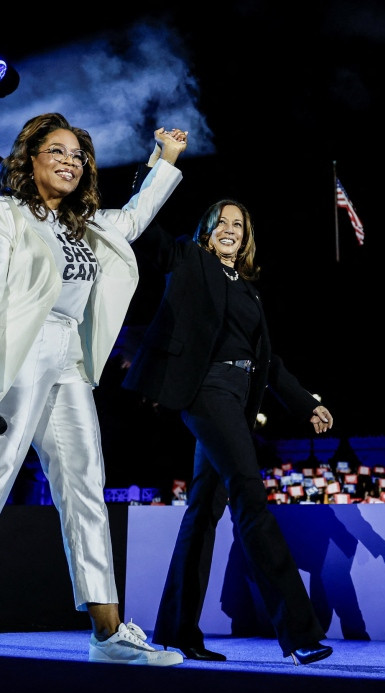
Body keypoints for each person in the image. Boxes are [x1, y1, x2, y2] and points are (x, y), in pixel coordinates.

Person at [0, 113, 188, 666]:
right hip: (18, 355)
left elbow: (133, 217)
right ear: (30, 160)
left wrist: (165, 162)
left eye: (78, 155)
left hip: (70, 359)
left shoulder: (88, 226)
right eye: (56, 151)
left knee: (86, 485)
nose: (69, 161)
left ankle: (108, 633)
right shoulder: (3, 214)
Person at [121, 197, 336, 665]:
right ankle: (298, 633)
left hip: (238, 400)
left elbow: (268, 362)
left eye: (238, 223)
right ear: (206, 230)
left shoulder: (248, 290)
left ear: (247, 237)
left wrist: (306, 405)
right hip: (206, 390)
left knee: (203, 511)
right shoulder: (189, 259)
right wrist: (157, 169)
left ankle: (177, 632)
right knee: (249, 495)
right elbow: (147, 233)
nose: (229, 228)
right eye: (221, 221)